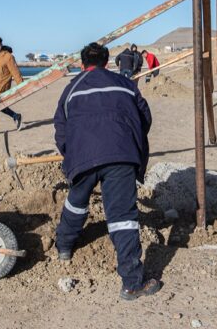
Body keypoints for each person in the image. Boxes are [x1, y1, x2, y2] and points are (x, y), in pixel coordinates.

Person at [53, 42, 160, 300]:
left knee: (76, 203)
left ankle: (64, 246)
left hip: (83, 156)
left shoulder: (72, 88)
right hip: (121, 155)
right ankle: (132, 283)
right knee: (122, 216)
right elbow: (145, 117)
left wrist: (73, 153)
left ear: (81, 64)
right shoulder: (124, 84)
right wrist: (128, 139)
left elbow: (60, 127)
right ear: (107, 62)